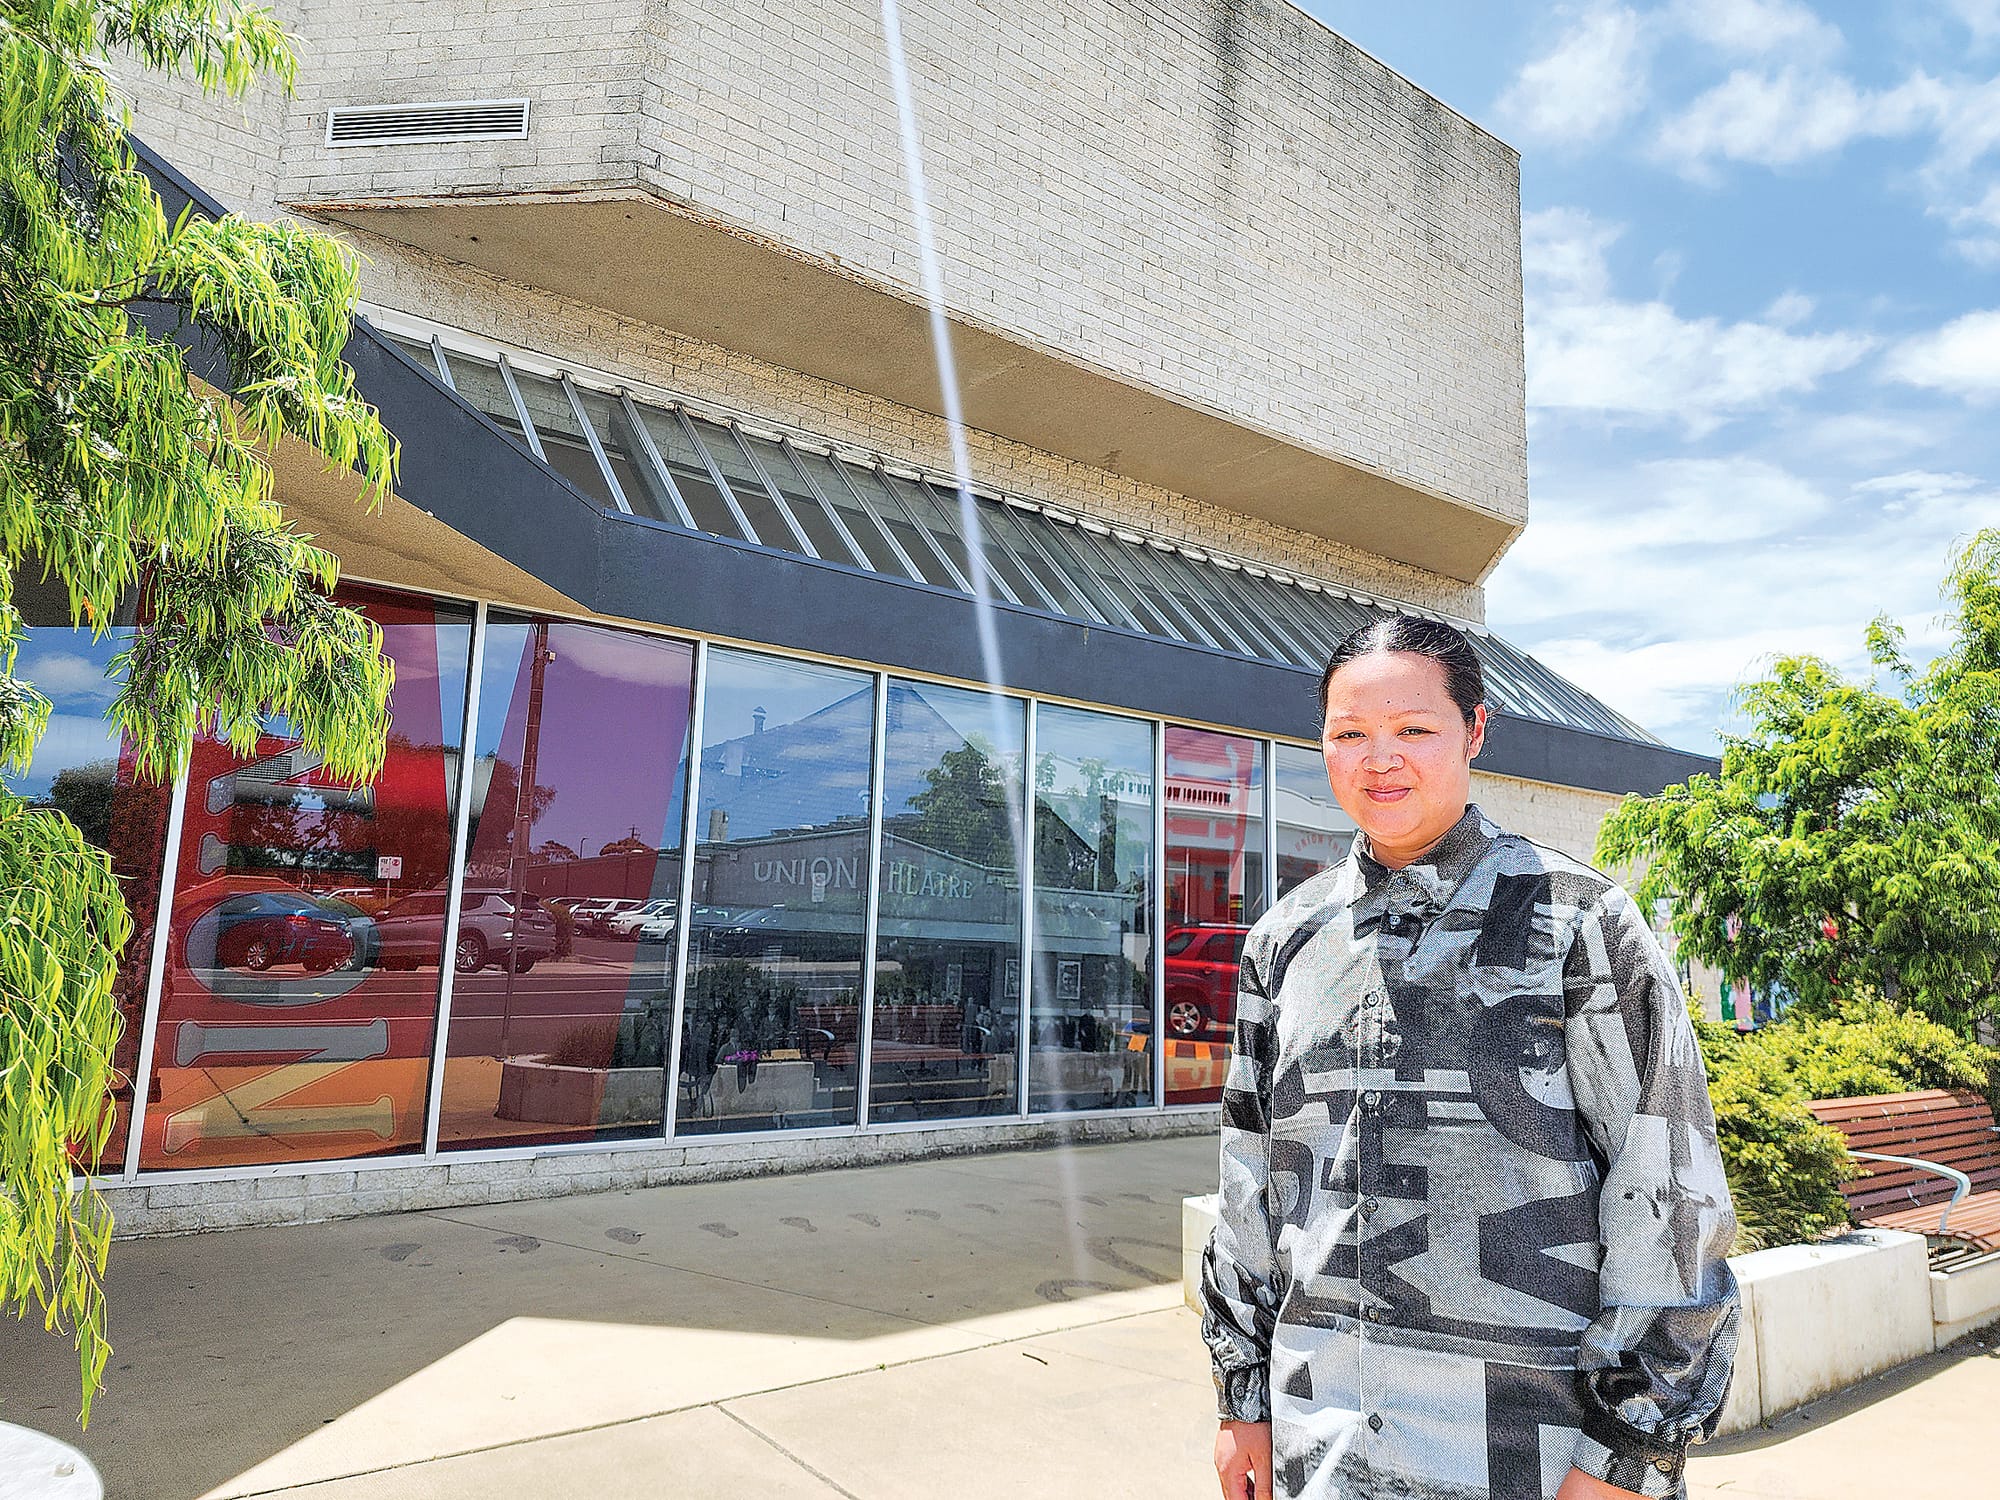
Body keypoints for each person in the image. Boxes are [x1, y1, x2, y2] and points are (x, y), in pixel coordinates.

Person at [1199, 616, 1739, 1500]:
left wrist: (1624, 1457)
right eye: (1350, 735)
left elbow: (1671, 1203)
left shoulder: (1582, 923)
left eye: (1414, 730)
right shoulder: (1286, 940)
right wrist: (1241, 1399)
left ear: (1475, 731)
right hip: (1320, 1446)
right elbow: (1250, 1179)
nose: (1381, 760)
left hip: (1535, 1461)